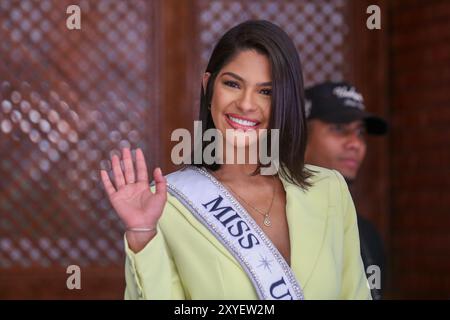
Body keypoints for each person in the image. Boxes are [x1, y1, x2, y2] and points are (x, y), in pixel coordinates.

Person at [100, 21, 371, 300]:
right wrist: (142, 234)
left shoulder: (328, 189)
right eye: (232, 84)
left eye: (266, 91)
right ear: (209, 88)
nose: (246, 104)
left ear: (285, 101)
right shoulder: (167, 203)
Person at [304, 81, 388, 299]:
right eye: (339, 129)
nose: (355, 143)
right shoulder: (273, 224)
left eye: (360, 132)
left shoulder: (367, 236)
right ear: (300, 138)